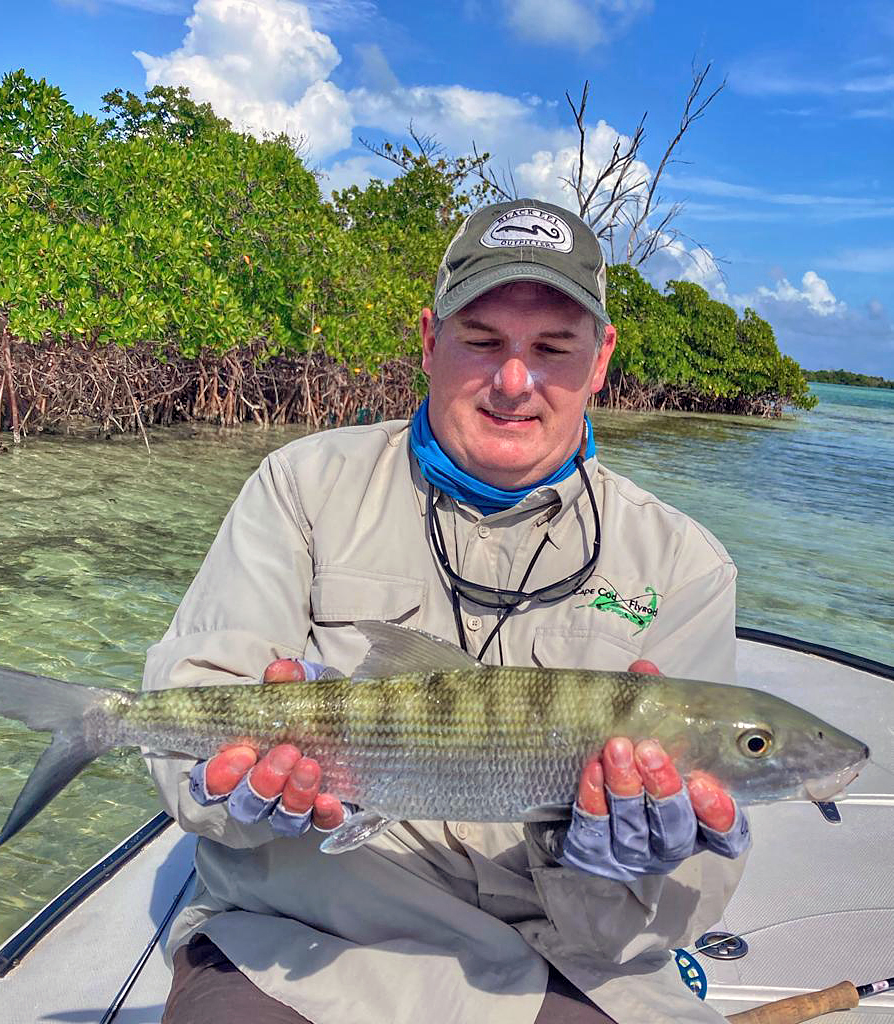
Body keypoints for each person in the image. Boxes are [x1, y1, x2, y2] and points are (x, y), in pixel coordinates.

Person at [143, 199, 750, 1024]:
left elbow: (677, 896)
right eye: (483, 341)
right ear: (430, 340)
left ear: (600, 358)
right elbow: (196, 725)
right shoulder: (302, 486)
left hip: (558, 963)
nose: (513, 381)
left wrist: (618, 861)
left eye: (551, 348)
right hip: (301, 935)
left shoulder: (684, 567)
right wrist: (227, 791)